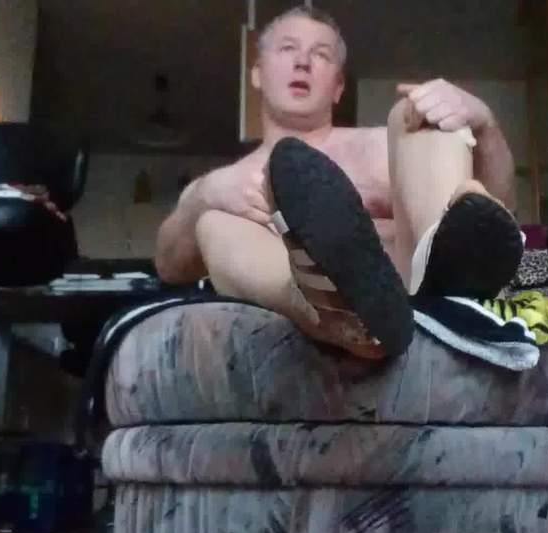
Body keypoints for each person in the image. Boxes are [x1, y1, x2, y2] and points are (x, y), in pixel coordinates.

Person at [155, 5, 522, 359]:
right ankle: (342, 314)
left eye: (321, 54)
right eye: (287, 49)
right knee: (213, 222)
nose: (303, 62)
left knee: (417, 112)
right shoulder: (228, 183)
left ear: (338, 87)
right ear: (257, 73)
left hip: (415, 286)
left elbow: (499, 212)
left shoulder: (384, 146)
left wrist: (485, 125)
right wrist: (204, 195)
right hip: (325, 310)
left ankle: (448, 280)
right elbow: (169, 267)